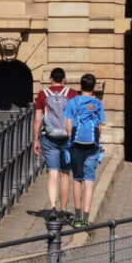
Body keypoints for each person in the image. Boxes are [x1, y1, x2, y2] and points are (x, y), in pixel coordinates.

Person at [63, 73, 106, 229]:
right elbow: (100, 126)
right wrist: (96, 139)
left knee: (77, 179)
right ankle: (87, 218)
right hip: (92, 147)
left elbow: (68, 126)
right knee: (89, 181)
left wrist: (71, 139)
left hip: (76, 146)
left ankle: (78, 217)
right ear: (94, 87)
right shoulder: (97, 104)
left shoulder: (73, 102)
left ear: (80, 86)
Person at [33, 67, 76, 221]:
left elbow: (38, 118)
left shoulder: (43, 94)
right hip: (67, 138)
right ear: (64, 79)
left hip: (49, 138)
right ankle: (64, 210)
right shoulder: (72, 94)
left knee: (52, 172)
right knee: (65, 174)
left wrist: (36, 140)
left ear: (51, 79)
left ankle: (52, 208)